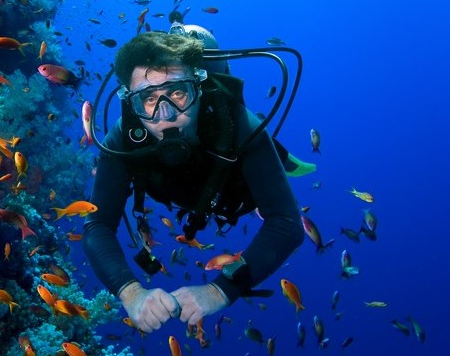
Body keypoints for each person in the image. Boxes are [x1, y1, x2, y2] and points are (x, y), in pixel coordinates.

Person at [82, 27, 305, 332]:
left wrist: (219, 290)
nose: (166, 114)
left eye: (177, 93)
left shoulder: (236, 123)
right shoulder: (123, 136)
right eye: (148, 99)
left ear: (198, 89)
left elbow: (287, 223)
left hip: (234, 194)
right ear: (132, 103)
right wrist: (130, 292)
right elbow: (96, 225)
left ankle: (280, 162)